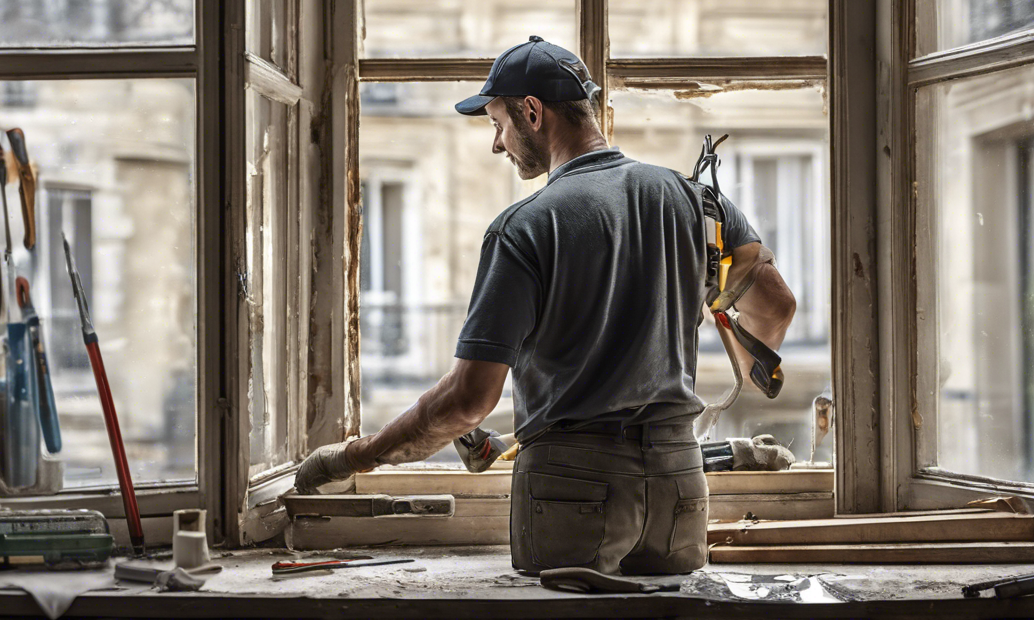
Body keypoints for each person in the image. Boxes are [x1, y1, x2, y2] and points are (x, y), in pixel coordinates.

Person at [296, 36, 797, 575]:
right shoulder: (695, 201)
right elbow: (776, 307)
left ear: (532, 112)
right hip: (678, 491)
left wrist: (357, 455)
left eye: (497, 124)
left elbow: (468, 401)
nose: (497, 143)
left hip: (571, 495)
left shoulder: (525, 228)